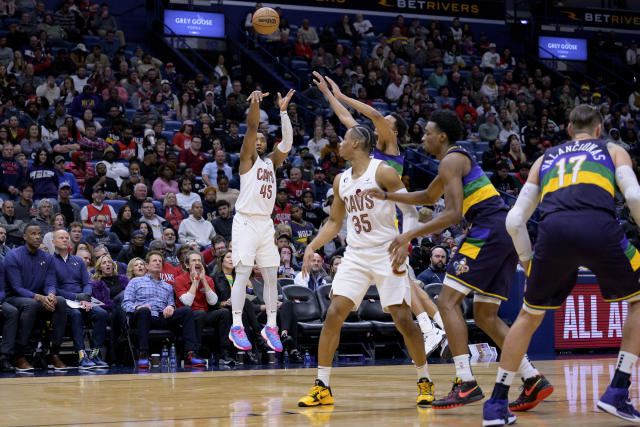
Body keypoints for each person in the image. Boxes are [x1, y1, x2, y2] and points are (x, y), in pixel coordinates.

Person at [374, 109, 548, 410]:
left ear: (442, 136)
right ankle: (532, 379)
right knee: (485, 316)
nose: (423, 137)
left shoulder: (451, 160)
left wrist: (407, 235)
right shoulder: (453, 162)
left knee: (446, 302)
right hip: (502, 232)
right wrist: (390, 198)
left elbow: (452, 214)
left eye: (427, 132)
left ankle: (466, 382)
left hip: (488, 229)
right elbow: (429, 197)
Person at [482, 105, 640, 424]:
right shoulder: (612, 149)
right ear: (599, 130)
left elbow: (514, 220)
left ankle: (496, 404)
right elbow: (634, 198)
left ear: (568, 129)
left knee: (528, 315)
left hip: (552, 233)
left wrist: (527, 262)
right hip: (600, 227)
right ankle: (618, 390)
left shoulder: (545, 158)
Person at [296, 124, 434, 407]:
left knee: (403, 319)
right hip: (356, 255)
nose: (340, 145)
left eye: (344, 141)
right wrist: (312, 245)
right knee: (334, 312)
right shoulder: (341, 180)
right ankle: (322, 386)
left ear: (356, 144)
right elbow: (335, 223)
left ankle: (424, 379)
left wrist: (406, 241)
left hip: (387, 251)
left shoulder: (383, 171)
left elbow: (409, 209)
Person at [316, 72, 446, 359]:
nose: (381, 121)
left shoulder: (389, 146)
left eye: (387, 121)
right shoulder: (368, 149)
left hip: (391, 222)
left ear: (394, 132)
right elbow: (348, 122)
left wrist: (342, 95)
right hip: (372, 225)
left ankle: (434, 328)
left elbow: (373, 114)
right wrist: (329, 95)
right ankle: (435, 327)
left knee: (409, 287)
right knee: (410, 286)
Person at [227, 89, 295, 356]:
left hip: (265, 224)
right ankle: (236, 325)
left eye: (262, 140)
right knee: (242, 272)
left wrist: (283, 112)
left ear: (265, 145)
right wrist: (255, 102)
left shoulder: (271, 163)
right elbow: (253, 125)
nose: (258, 141)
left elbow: (287, 144)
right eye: (255, 139)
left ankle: (271, 327)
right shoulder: (246, 160)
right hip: (244, 222)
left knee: (270, 275)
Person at [121, 250, 205, 369]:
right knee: (144, 312)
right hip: (143, 317)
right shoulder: (135, 281)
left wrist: (170, 307)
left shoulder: (167, 286)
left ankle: (190, 353)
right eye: (154, 261)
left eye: (160, 261)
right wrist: (138, 307)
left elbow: (171, 303)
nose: (158, 263)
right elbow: (126, 303)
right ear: (147, 266)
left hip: (161, 317)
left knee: (186, 311)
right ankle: (143, 354)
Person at [4, 224, 68, 370]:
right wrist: (39, 297)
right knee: (31, 304)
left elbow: (50, 281)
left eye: (39, 234)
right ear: (24, 237)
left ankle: (54, 353)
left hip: (40, 298)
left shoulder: (47, 257)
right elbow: (16, 287)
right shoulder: (13, 256)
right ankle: (19, 355)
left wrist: (51, 294)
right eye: (33, 234)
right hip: (14, 298)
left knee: (61, 301)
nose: (38, 237)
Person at [52, 229, 108, 369]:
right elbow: (53, 287)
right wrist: (77, 297)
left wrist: (86, 297)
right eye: (61, 238)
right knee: (76, 314)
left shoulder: (78, 261)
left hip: (83, 299)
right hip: (64, 301)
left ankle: (95, 354)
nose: (65, 240)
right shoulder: (49, 261)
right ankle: (81, 355)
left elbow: (87, 283)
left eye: (66, 238)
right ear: (53, 242)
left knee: (102, 314)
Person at [174, 250, 234, 365]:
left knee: (224, 312)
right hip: (187, 317)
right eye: (193, 261)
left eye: (199, 260)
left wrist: (203, 280)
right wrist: (195, 281)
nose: (197, 263)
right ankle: (194, 352)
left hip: (204, 314)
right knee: (199, 313)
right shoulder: (179, 280)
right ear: (187, 265)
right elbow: (187, 302)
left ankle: (223, 352)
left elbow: (213, 302)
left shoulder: (208, 279)